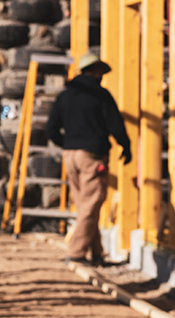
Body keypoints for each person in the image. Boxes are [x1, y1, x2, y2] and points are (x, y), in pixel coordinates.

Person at [45, 52, 131, 265]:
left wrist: (66, 144)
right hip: (92, 155)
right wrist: (125, 145)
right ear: (97, 70)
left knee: (84, 204)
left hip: (70, 156)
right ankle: (76, 253)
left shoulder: (65, 95)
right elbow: (115, 125)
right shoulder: (100, 95)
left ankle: (97, 253)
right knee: (92, 203)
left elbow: (51, 128)